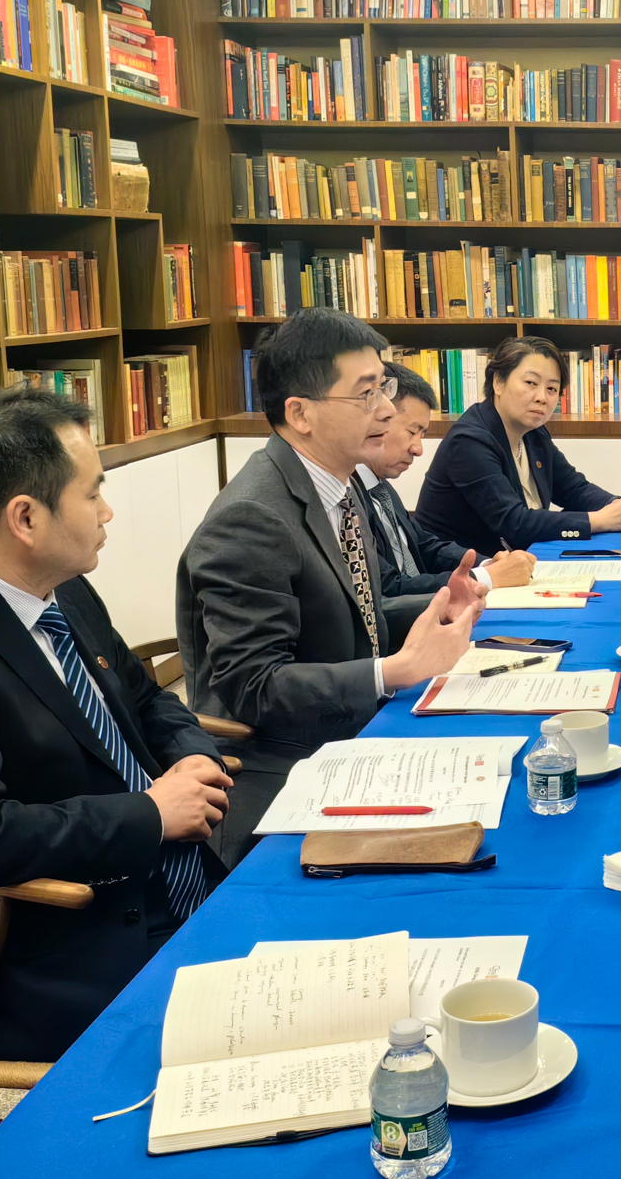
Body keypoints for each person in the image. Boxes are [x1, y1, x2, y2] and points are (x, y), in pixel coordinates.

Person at [0, 389, 231, 1063]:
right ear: (26, 517)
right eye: (93, 493)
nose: (107, 511)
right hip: (64, 955)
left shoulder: (64, 590)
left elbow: (146, 700)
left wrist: (193, 755)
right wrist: (149, 814)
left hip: (180, 885)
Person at [178, 308, 485, 865]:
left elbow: (356, 617)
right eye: (366, 393)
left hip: (351, 738)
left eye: (383, 387)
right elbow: (254, 687)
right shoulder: (252, 517)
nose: (387, 408)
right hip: (283, 770)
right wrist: (393, 670)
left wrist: (438, 609)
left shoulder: (338, 489)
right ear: (300, 413)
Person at [414, 335, 621, 555]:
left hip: (517, 561)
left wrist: (616, 504)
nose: (542, 397)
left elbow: (573, 489)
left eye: (551, 389)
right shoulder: (469, 442)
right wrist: (599, 520)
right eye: (531, 383)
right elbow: (514, 523)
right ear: (498, 382)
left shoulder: (533, 434)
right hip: (461, 571)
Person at [361, 361, 537, 642]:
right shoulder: (349, 496)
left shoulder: (381, 487)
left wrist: (487, 564)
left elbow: (423, 545)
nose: (418, 448)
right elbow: (388, 588)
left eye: (422, 434)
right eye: (412, 431)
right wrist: (486, 578)